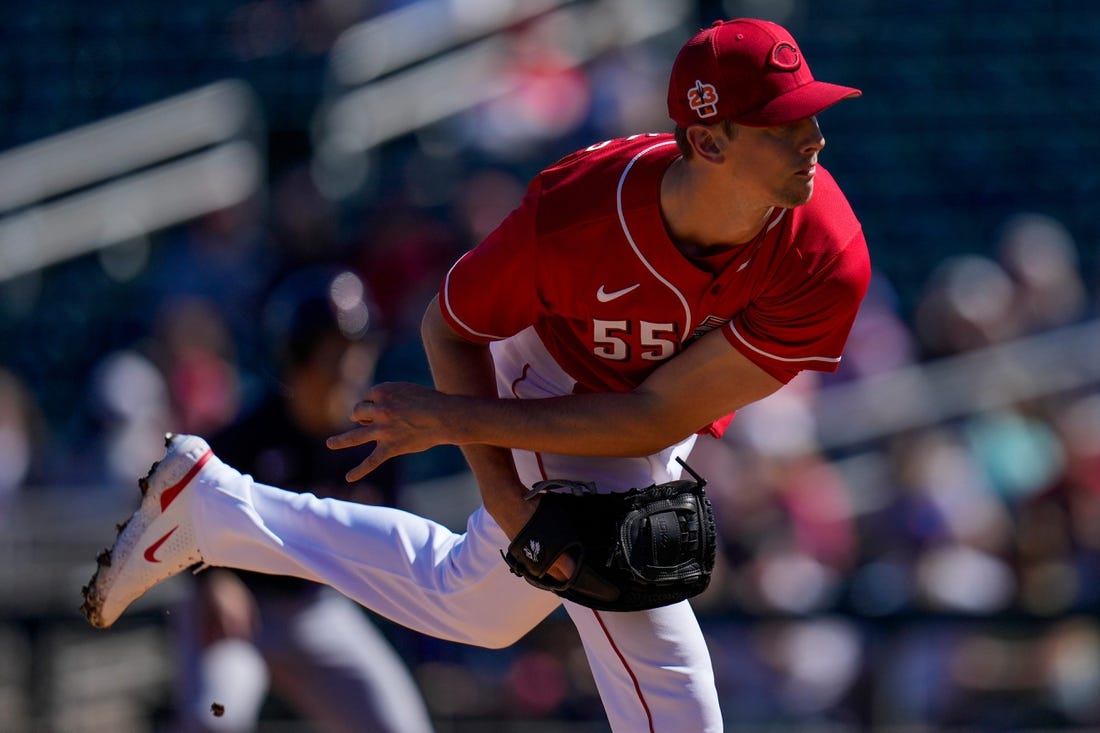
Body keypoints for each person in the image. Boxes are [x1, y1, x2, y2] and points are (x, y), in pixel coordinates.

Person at [82, 18, 870, 732]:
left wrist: (458, 424)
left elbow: (659, 416)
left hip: (640, 409)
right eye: (784, 120)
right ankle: (214, 509)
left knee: (479, 604)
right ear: (708, 140)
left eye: (812, 112)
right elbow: (449, 326)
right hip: (546, 369)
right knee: (662, 662)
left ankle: (216, 507)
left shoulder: (825, 254)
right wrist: (504, 488)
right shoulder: (577, 216)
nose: (814, 137)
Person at [169, 268, 435, 733]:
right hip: (239, 607)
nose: (350, 365)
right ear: (297, 356)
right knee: (212, 723)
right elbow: (177, 516)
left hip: (313, 608)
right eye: (335, 351)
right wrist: (211, 579)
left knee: (403, 726)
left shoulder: (380, 441)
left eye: (359, 350)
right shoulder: (245, 437)